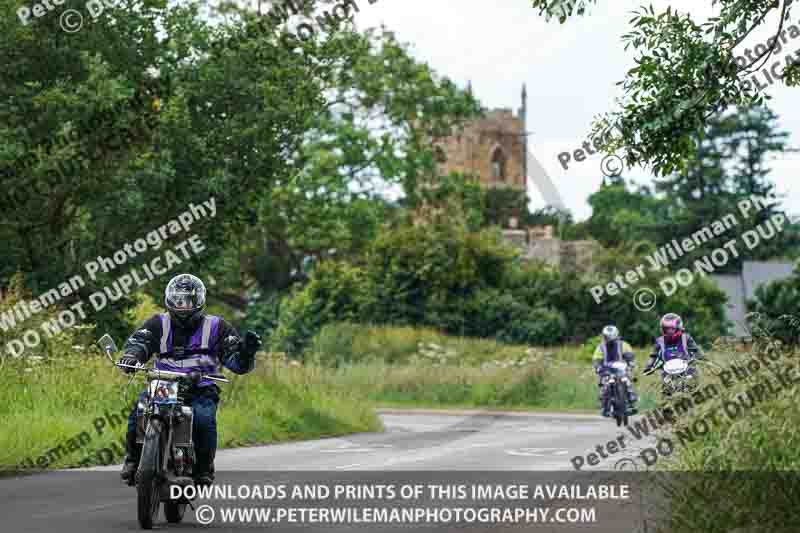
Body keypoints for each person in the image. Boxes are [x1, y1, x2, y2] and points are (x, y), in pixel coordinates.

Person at [117, 273, 261, 486]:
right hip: (163, 384)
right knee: (139, 411)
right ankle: (133, 459)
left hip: (201, 388)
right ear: (169, 299)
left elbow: (236, 363)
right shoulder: (158, 323)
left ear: (199, 301)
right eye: (178, 299)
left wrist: (246, 353)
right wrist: (132, 356)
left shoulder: (217, 326)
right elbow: (140, 341)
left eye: (188, 299)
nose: (183, 305)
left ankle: (204, 468)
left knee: (203, 421)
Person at [592, 325, 638, 417]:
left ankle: (631, 401)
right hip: (606, 369)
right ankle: (604, 406)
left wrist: (631, 363)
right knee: (604, 384)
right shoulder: (600, 347)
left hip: (620, 368)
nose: (607, 339)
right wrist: (597, 367)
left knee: (627, 379)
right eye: (605, 336)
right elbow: (596, 359)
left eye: (608, 337)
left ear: (615, 336)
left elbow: (630, 355)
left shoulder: (623, 345)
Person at [642, 313, 702, 378]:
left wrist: (699, 357)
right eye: (666, 329)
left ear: (678, 328)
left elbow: (697, 351)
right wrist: (649, 366)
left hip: (687, 370)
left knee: (694, 379)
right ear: (663, 329)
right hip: (668, 374)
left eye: (672, 328)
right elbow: (653, 356)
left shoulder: (686, 338)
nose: (669, 331)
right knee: (663, 384)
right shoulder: (660, 341)